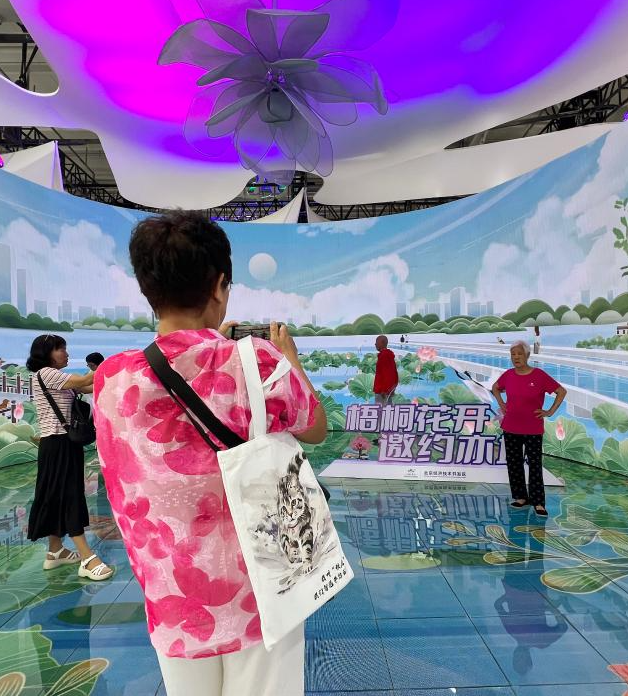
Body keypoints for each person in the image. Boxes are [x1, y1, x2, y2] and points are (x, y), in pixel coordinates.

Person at [93, 212, 326, 696]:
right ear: (220, 285)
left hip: (172, 593)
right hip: (262, 588)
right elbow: (316, 429)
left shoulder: (111, 378)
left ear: (147, 287)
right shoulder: (256, 361)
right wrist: (289, 359)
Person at [26, 334, 113, 581]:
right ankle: (87, 558)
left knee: (56, 496)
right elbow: (85, 379)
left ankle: (55, 551)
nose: (66, 353)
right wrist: (113, 365)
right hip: (58, 444)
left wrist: (114, 380)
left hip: (60, 444)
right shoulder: (46, 374)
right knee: (71, 496)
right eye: (60, 349)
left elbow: (88, 387)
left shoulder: (56, 378)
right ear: (46, 353)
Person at [491, 341, 566, 518]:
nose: (516, 357)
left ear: (527, 355)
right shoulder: (508, 375)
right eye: (513, 354)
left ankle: (538, 502)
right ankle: (520, 497)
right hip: (510, 426)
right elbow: (495, 388)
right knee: (514, 463)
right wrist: (502, 403)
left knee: (534, 465)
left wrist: (550, 411)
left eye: (519, 354)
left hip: (533, 428)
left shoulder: (539, 375)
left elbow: (561, 391)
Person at [373, 334, 399, 406]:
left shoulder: (385, 356)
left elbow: (388, 374)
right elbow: (393, 374)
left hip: (382, 391)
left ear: (383, 343)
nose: (375, 344)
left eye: (377, 342)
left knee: (381, 410)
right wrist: (391, 388)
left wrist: (384, 390)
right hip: (385, 390)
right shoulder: (387, 355)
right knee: (387, 409)